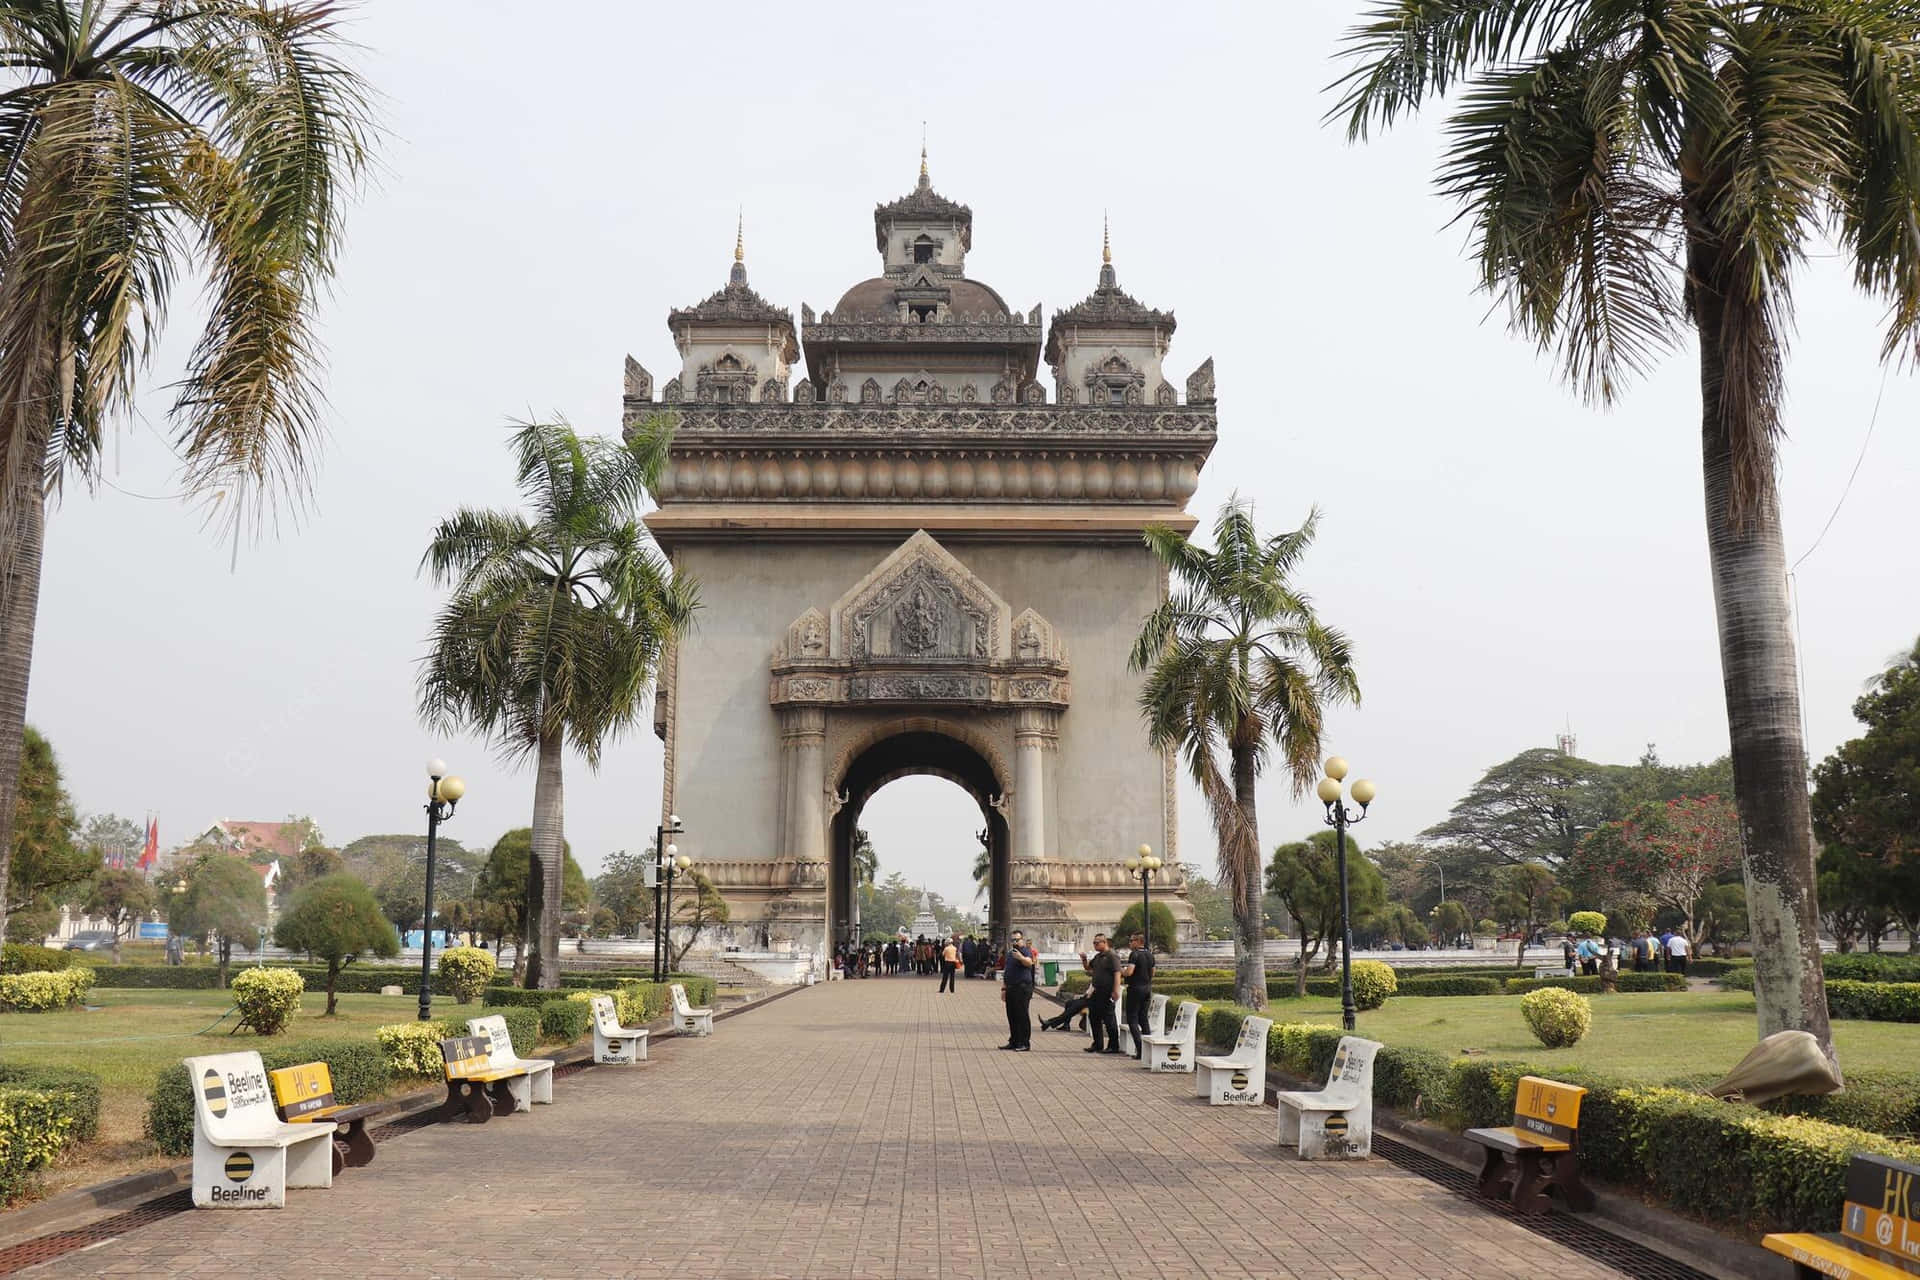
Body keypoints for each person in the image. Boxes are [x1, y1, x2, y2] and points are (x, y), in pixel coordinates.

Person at [1078, 934, 1121, 1054]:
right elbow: (1088, 968)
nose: (1095, 945)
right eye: (1094, 943)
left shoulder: (1112, 956)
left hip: (1107, 992)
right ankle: (1097, 1044)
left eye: (1097, 943)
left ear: (1104, 942)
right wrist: (1084, 959)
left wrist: (1115, 990)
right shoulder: (1098, 957)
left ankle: (1113, 1045)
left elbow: (1117, 973)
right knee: (1094, 1017)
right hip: (1096, 992)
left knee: (1109, 1019)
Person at [999, 929, 1038, 1050]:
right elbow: (1007, 971)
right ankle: (1014, 1041)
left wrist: (1021, 957)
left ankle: (1024, 1043)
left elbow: (1029, 963)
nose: (1015, 942)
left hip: (1022, 988)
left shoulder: (1025, 951)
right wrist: (1004, 988)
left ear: (1022, 940)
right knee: (1012, 1015)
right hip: (1010, 988)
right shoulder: (1010, 953)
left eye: (1017, 939)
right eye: (1013, 940)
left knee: (1022, 1015)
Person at [1120, 930, 1155, 1060]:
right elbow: (1153, 972)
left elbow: (1129, 972)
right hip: (1147, 988)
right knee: (1143, 1018)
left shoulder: (1134, 954)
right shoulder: (1150, 954)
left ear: (1139, 941)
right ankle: (1148, 1050)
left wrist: (1120, 969)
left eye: (1131, 941)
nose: (1129, 943)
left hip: (1135, 989)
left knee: (1132, 1019)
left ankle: (1140, 1049)